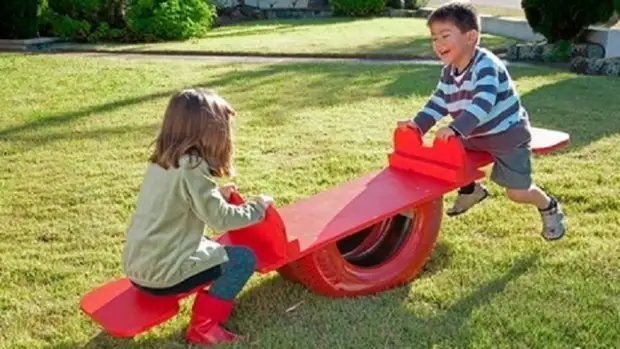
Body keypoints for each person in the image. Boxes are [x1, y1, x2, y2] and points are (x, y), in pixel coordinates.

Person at [397, 1, 565, 240]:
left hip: (507, 134)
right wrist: (418, 125)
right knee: (445, 157)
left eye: (445, 36)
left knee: (517, 192)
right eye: (434, 38)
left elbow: (482, 104)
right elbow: (438, 101)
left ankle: (549, 207)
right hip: (473, 135)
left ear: (470, 37)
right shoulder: (449, 72)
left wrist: (456, 127)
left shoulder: (486, 66)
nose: (438, 44)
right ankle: (471, 190)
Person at [121, 88, 273, 346]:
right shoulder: (193, 167)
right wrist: (258, 207)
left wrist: (216, 194)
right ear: (209, 131)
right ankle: (203, 327)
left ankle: (202, 314)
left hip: (138, 267)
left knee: (211, 247)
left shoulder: (164, 160)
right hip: (163, 276)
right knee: (242, 259)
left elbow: (179, 201)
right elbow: (221, 220)